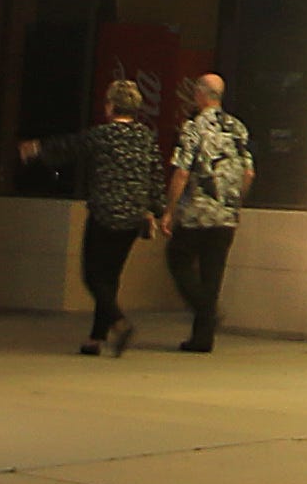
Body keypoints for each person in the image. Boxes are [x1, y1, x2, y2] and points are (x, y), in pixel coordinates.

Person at [18, 77, 160, 355]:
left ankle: (119, 323)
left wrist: (37, 148)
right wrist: (156, 211)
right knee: (111, 276)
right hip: (133, 218)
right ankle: (96, 337)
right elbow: (155, 175)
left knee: (93, 276)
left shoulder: (102, 135)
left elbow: (70, 147)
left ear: (110, 107)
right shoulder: (146, 137)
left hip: (105, 214)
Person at [163, 70, 254, 353]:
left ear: (200, 95)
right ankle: (202, 338)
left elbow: (181, 172)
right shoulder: (237, 127)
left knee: (177, 258)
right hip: (226, 215)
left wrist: (169, 210)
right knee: (212, 274)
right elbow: (249, 172)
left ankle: (206, 310)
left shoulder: (193, 127)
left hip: (196, 213)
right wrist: (235, 201)